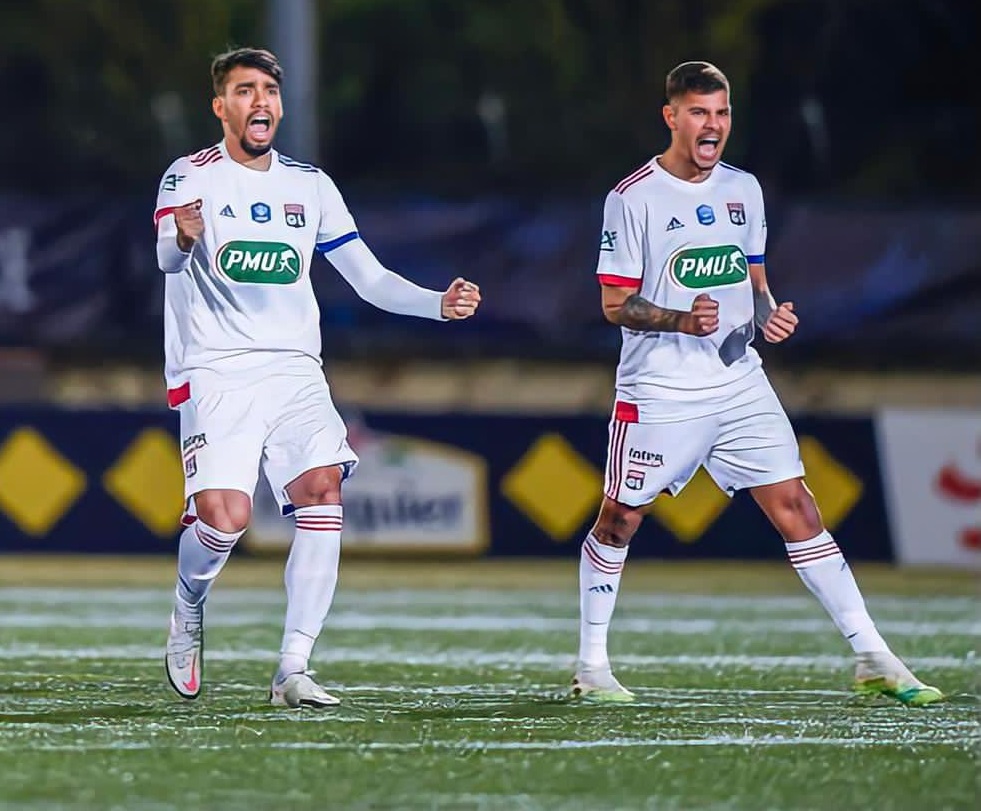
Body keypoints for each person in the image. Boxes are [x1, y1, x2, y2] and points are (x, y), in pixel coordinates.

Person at [572, 61, 942, 706]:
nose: (712, 125)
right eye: (698, 113)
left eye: (721, 113)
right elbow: (614, 305)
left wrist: (771, 313)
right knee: (620, 519)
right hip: (662, 390)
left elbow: (755, 280)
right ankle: (592, 667)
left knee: (798, 508)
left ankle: (873, 657)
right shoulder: (633, 198)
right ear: (672, 117)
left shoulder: (745, 190)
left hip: (741, 381)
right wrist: (680, 319)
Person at [154, 47, 481, 708]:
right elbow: (165, 257)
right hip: (217, 370)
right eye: (245, 91)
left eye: (269, 90)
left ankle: (292, 667)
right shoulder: (189, 176)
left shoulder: (309, 185)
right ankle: (189, 602)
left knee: (320, 491)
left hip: (296, 371)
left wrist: (434, 303)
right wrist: (185, 238)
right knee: (225, 519)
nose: (260, 102)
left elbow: (370, 278)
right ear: (221, 107)